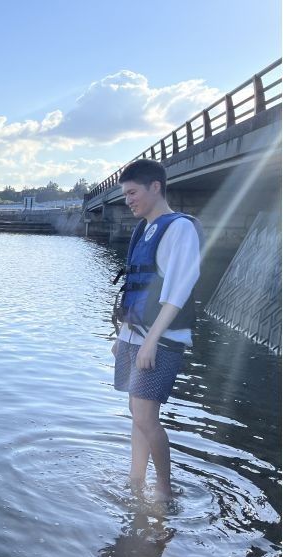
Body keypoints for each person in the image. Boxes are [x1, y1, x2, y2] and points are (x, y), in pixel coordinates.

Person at [112, 159, 202, 502]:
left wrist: (150, 341)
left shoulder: (180, 229)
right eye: (125, 194)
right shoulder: (143, 229)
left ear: (155, 187)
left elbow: (178, 290)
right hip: (136, 335)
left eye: (133, 193)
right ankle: (136, 478)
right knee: (137, 413)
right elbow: (136, 289)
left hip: (161, 339)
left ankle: (164, 490)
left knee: (147, 416)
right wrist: (123, 336)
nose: (128, 200)